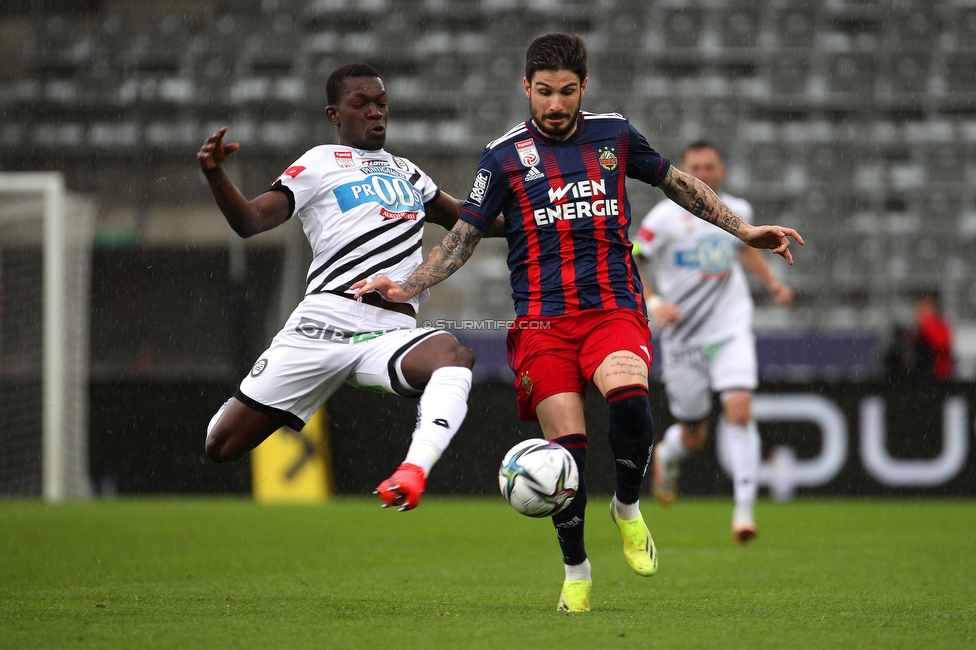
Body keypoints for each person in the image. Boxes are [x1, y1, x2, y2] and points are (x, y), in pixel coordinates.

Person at [353, 34, 802, 611]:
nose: (556, 104)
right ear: (526, 89)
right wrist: (406, 284)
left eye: (567, 92)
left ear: (583, 88)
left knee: (631, 404)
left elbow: (677, 184)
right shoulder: (503, 156)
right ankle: (576, 568)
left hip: (613, 308)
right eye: (544, 93)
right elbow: (463, 238)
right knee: (565, 458)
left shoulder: (615, 134)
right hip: (542, 323)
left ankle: (628, 507)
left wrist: (744, 231)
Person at [197, 62, 479, 512]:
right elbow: (250, 222)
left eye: (381, 104)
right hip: (324, 319)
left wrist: (543, 214)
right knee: (221, 444)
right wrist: (215, 174)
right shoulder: (319, 162)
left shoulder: (407, 171)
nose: (375, 113)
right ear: (334, 114)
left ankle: (413, 472)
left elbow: (473, 220)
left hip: (390, 328)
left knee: (454, 356)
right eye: (361, 104)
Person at [634, 140, 794, 546]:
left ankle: (743, 511)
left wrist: (773, 283)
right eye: (694, 167)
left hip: (729, 328)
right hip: (683, 337)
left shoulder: (738, 212)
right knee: (694, 434)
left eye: (709, 167)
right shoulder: (664, 217)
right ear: (684, 170)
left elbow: (744, 249)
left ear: (721, 171)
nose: (701, 174)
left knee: (739, 410)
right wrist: (654, 301)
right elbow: (632, 256)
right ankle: (669, 454)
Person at [911, 292, 954, 381]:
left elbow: (941, 346)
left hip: (937, 374)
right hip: (926, 373)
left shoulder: (936, 326)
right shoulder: (920, 327)